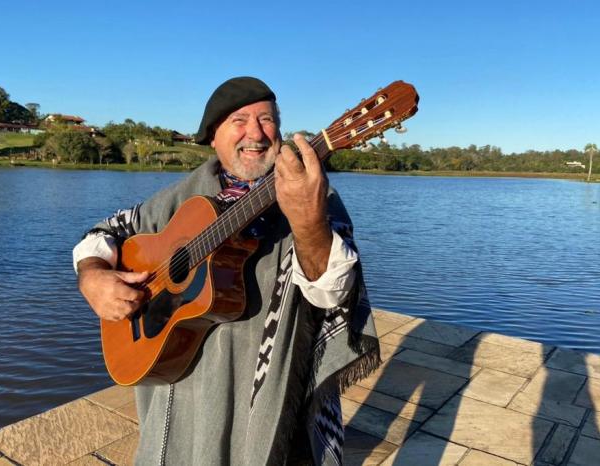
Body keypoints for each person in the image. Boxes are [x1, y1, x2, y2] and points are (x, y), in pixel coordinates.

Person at [73, 77, 380, 465]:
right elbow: (102, 235)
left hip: (270, 396)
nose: (256, 133)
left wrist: (307, 221)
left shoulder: (314, 196)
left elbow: (333, 293)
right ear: (212, 137)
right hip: (183, 392)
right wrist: (92, 275)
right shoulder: (173, 201)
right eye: (239, 120)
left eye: (267, 119)